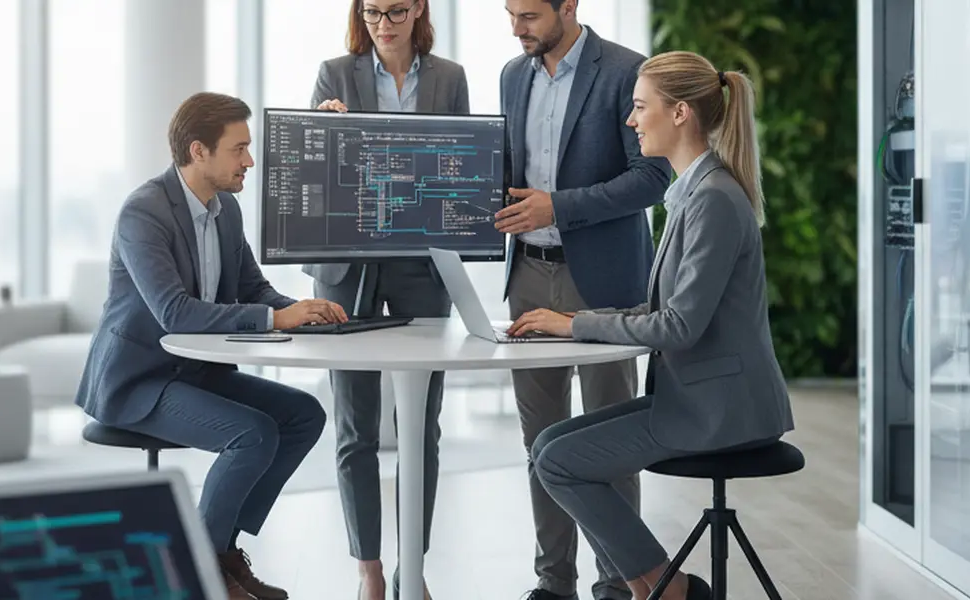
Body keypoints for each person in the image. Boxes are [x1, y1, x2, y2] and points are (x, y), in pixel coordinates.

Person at [507, 51, 797, 600]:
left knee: (562, 463)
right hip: (697, 397)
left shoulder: (712, 198)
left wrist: (577, 327)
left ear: (681, 113)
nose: (631, 120)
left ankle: (668, 590)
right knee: (547, 445)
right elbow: (662, 310)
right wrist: (573, 320)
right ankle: (659, 590)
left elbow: (679, 327)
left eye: (641, 107)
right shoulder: (692, 189)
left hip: (722, 409)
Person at [74, 91, 349, 600]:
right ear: (198, 151)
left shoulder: (225, 211)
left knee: (304, 415)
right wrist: (273, 317)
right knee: (252, 434)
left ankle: (218, 551)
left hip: (197, 372)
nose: (250, 160)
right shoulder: (144, 212)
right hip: (141, 381)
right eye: (239, 149)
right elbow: (174, 313)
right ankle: (198, 572)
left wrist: (304, 311)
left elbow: (254, 290)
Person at [493, 1, 672, 599]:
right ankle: (553, 583)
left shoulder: (625, 71)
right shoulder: (512, 75)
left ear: (569, 5)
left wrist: (559, 206)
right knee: (538, 441)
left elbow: (652, 177)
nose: (517, 27)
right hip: (528, 276)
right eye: (511, 13)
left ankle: (622, 583)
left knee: (609, 441)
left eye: (530, 15)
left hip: (602, 283)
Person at [305, 1, 468, 599]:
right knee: (355, 427)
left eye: (396, 9)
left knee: (421, 426)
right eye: (371, 9)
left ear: (419, 7)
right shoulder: (335, 73)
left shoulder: (448, 78)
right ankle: (369, 570)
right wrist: (328, 134)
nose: (383, 21)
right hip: (347, 268)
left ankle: (412, 571)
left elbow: (459, 167)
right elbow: (316, 174)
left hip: (422, 264)